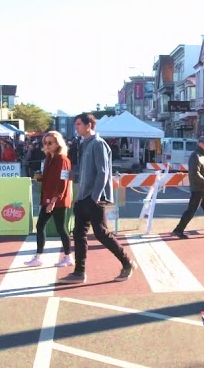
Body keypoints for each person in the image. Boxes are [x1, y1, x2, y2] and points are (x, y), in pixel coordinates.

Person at [63, 113, 133, 283]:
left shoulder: (98, 144)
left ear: (89, 125)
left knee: (101, 233)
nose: (76, 127)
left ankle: (127, 263)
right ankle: (79, 272)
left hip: (94, 197)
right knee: (79, 233)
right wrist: (73, 176)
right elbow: (87, 170)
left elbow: (103, 172)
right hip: (83, 196)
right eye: (76, 124)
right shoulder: (84, 144)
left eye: (79, 124)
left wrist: (94, 197)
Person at [27, 131, 73, 267]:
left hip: (58, 200)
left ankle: (68, 256)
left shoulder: (63, 160)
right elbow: (49, 178)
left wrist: (53, 201)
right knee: (41, 225)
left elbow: (63, 182)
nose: (46, 145)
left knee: (60, 228)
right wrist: (40, 177)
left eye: (50, 143)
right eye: (45, 143)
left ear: (57, 144)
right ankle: (39, 256)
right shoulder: (48, 158)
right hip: (48, 198)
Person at [171, 136, 204, 240]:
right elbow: (194, 172)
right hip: (198, 188)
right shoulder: (196, 156)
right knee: (191, 211)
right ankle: (178, 230)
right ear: (199, 143)